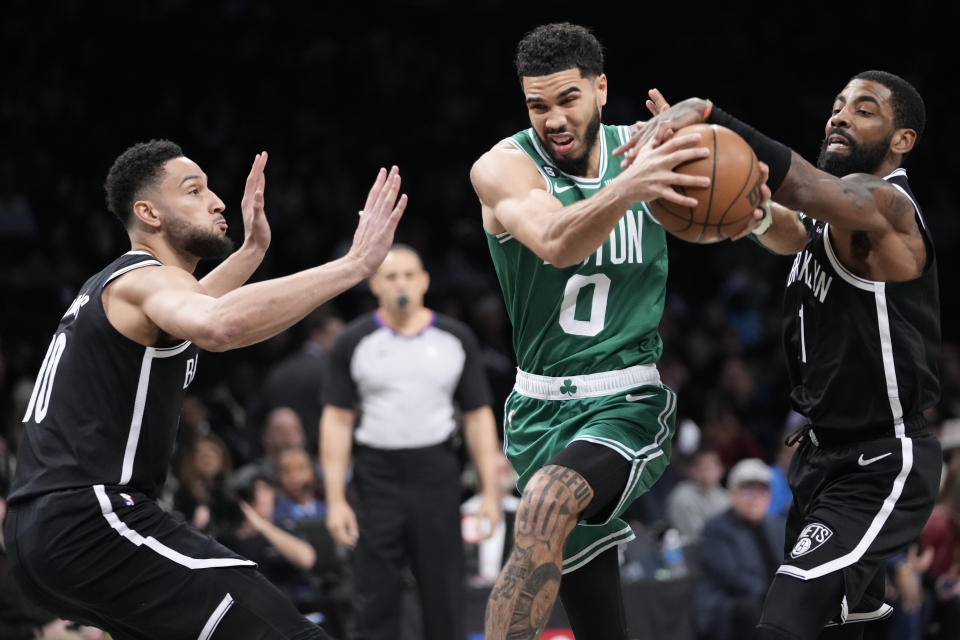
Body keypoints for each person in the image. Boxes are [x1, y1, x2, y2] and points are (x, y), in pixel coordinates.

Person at [3, 139, 407, 639]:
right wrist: (354, 266)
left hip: (41, 534)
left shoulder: (120, 288)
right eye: (194, 191)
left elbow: (205, 308)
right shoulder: (145, 280)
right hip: (95, 518)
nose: (216, 201)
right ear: (148, 213)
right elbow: (219, 325)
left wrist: (253, 252)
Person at [467, 22, 766, 640]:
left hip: (627, 397)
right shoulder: (501, 169)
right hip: (537, 409)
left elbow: (767, 209)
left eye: (568, 98)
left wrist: (759, 208)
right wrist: (630, 185)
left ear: (600, 89)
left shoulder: (648, 147)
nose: (553, 117)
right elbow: (554, 241)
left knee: (547, 502)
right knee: (597, 611)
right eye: (537, 105)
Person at [622, 71, 942, 638]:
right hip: (820, 460)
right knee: (838, 628)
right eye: (837, 104)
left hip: (880, 459)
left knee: (783, 622)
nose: (839, 116)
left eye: (863, 110)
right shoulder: (835, 221)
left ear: (902, 140)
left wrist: (709, 116)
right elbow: (792, 229)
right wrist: (748, 207)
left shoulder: (889, 208)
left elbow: (806, 187)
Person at [320, 244, 503, 640]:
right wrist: (335, 499)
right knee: (374, 594)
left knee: (444, 593)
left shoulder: (455, 338)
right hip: (376, 476)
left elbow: (477, 416)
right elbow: (336, 419)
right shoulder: (354, 340)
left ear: (424, 282)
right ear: (375, 285)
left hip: (436, 472)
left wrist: (491, 491)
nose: (400, 283)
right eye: (390, 276)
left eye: (408, 275)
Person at [694, 458, 786, 640]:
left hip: (768, 598)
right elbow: (731, 577)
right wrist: (775, 597)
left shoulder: (778, 526)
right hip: (729, 604)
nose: (755, 498)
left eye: (762, 490)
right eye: (747, 490)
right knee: (753, 609)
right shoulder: (716, 527)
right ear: (732, 493)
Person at [665, 445, 730, 542]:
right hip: (690, 551)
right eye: (703, 466)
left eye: (713, 465)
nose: (708, 471)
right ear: (692, 470)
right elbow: (695, 534)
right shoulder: (682, 495)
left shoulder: (724, 495)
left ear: (720, 470)